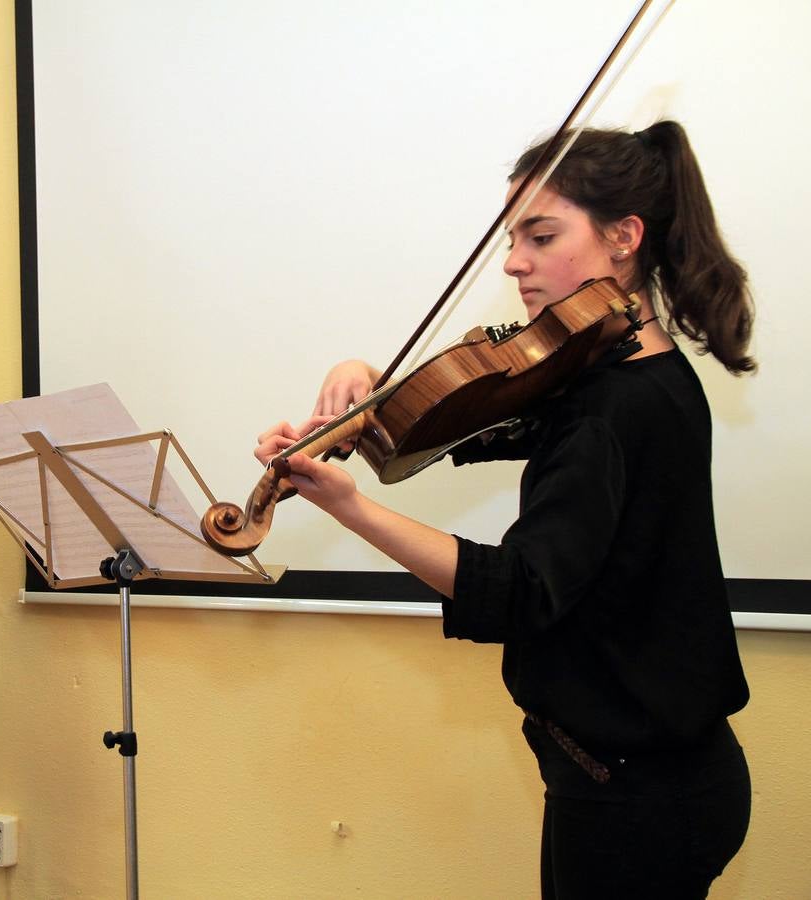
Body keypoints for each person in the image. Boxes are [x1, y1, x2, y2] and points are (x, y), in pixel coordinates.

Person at [257, 121, 753, 898]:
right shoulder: (626, 375)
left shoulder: (612, 409)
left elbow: (521, 588)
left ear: (624, 237)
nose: (513, 261)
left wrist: (349, 508)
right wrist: (372, 387)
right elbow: (476, 417)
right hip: (646, 780)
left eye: (540, 234)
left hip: (635, 796)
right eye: (513, 236)